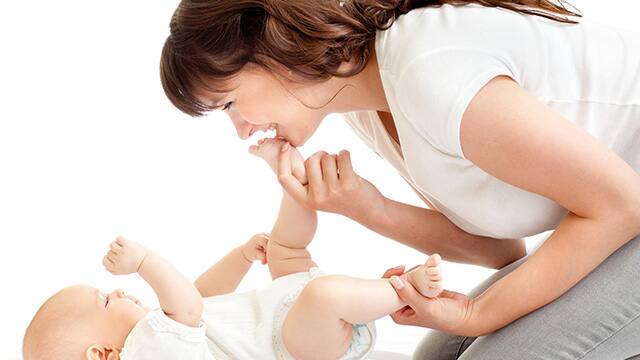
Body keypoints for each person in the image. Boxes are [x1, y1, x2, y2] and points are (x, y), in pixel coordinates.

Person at [159, 0, 640, 358]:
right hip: (623, 216)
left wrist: (479, 315)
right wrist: (367, 206)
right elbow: (500, 250)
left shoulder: (423, 68)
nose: (242, 128)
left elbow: (621, 204)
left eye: (229, 103)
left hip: (627, 210)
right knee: (435, 356)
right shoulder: (368, 105)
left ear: (272, 52)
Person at [22, 138, 445, 360]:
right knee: (323, 294)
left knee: (285, 248)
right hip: (297, 348)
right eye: (104, 299)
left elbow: (200, 297)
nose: (116, 292)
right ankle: (403, 289)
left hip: (286, 322)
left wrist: (241, 256)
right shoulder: (147, 352)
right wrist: (144, 262)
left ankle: (293, 182)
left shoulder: (165, 333)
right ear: (101, 354)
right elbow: (187, 307)